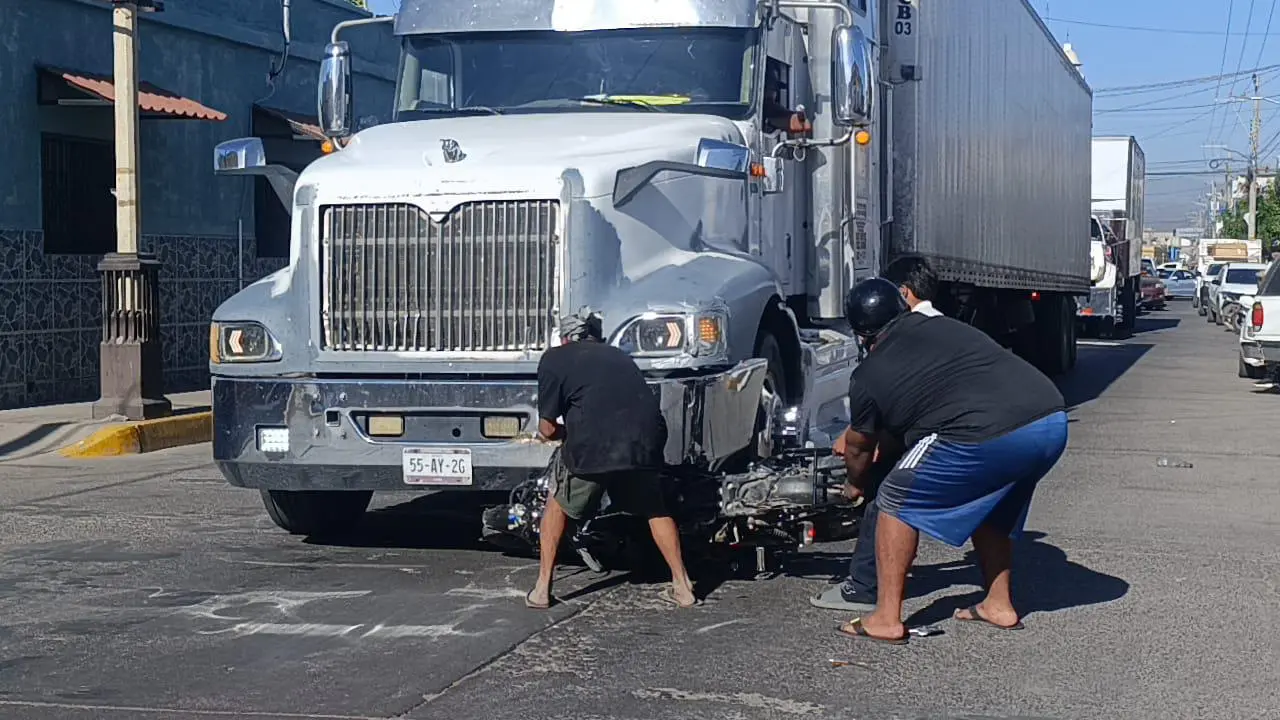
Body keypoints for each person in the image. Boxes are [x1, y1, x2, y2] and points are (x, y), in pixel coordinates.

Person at [833, 278, 1068, 644]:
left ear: (861, 333)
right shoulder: (943, 325)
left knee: (896, 497)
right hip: (1049, 421)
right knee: (992, 501)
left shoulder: (867, 375)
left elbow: (859, 450)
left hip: (988, 433)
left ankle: (885, 617)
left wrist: (855, 485)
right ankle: (998, 603)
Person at [527, 310, 698, 610]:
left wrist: (568, 434)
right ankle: (683, 586)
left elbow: (547, 427)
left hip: (593, 445)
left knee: (557, 504)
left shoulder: (554, 359)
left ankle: (542, 590)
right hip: (644, 441)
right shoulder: (618, 355)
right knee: (654, 508)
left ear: (565, 337)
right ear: (595, 336)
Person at [809, 257, 943, 612]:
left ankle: (866, 587)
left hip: (939, 435)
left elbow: (889, 405)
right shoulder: (938, 326)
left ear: (901, 293)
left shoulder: (908, 334)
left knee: (885, 492)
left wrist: (856, 450)